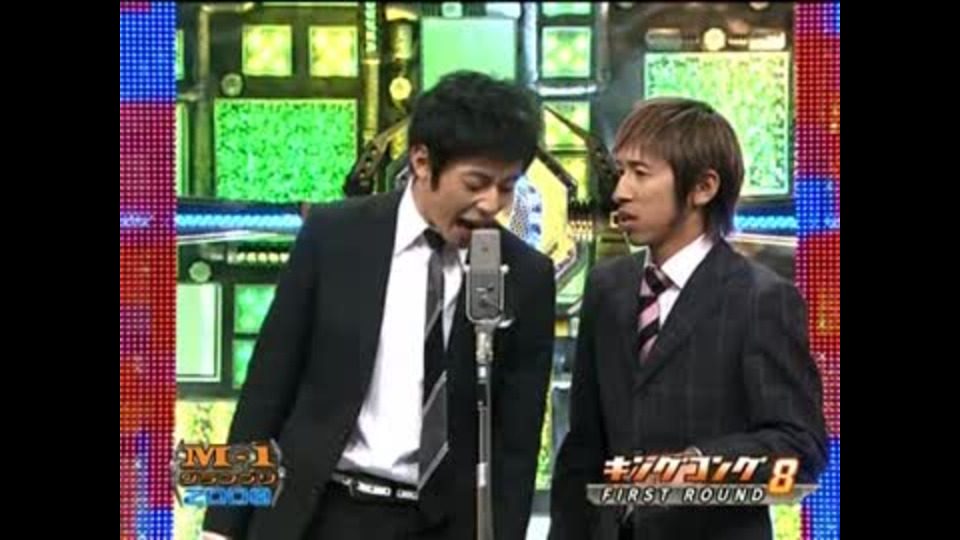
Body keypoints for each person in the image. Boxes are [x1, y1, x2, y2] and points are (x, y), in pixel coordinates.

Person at [203, 71, 556, 540]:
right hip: (319, 514)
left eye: (508, 186)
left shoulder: (525, 275)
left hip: (442, 524)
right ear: (422, 161)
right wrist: (221, 527)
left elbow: (516, 445)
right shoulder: (334, 236)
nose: (493, 203)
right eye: (476, 182)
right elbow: (266, 390)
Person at [548, 97, 828, 540]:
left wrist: (693, 468)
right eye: (621, 172)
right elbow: (583, 448)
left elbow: (799, 448)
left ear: (703, 187)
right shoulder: (608, 287)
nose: (620, 192)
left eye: (640, 174)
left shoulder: (761, 299)